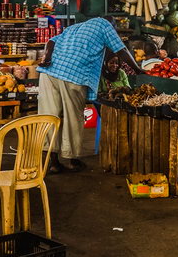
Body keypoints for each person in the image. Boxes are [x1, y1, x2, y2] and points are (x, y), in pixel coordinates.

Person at [38, 17, 143, 172]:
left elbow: (51, 41)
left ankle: (52, 162)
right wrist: (138, 69)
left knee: (49, 116)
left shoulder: (76, 27)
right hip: (73, 74)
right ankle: (72, 160)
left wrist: (47, 57)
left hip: (49, 72)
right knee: (73, 118)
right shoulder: (104, 25)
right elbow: (122, 50)